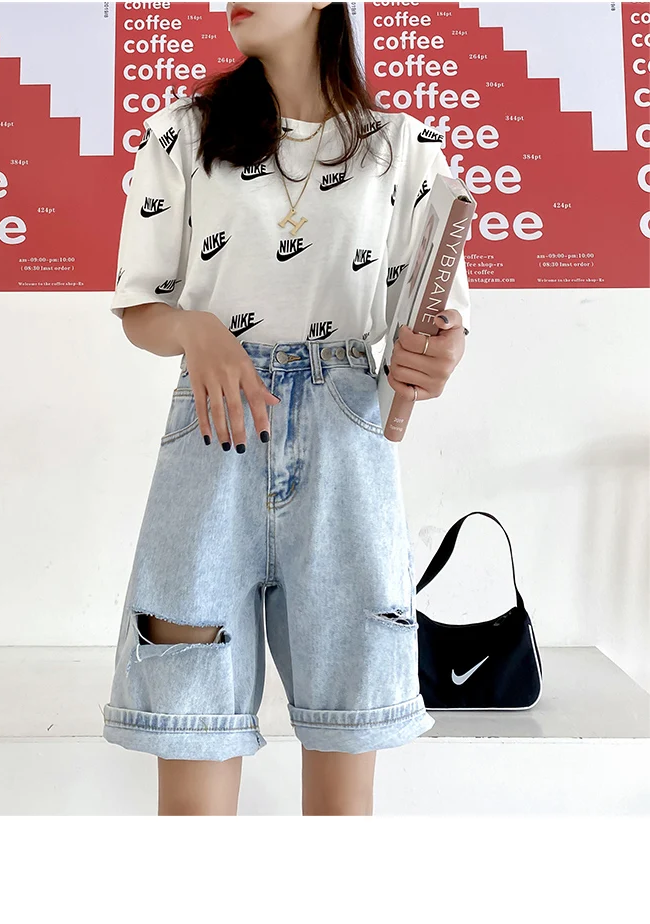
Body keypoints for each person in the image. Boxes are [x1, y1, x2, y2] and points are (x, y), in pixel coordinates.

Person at [102, 1, 470, 815]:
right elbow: (140, 306)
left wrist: (437, 356)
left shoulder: (404, 148)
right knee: (192, 728)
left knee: (345, 757)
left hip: (346, 441)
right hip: (214, 437)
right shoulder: (182, 134)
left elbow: (437, 322)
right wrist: (195, 330)